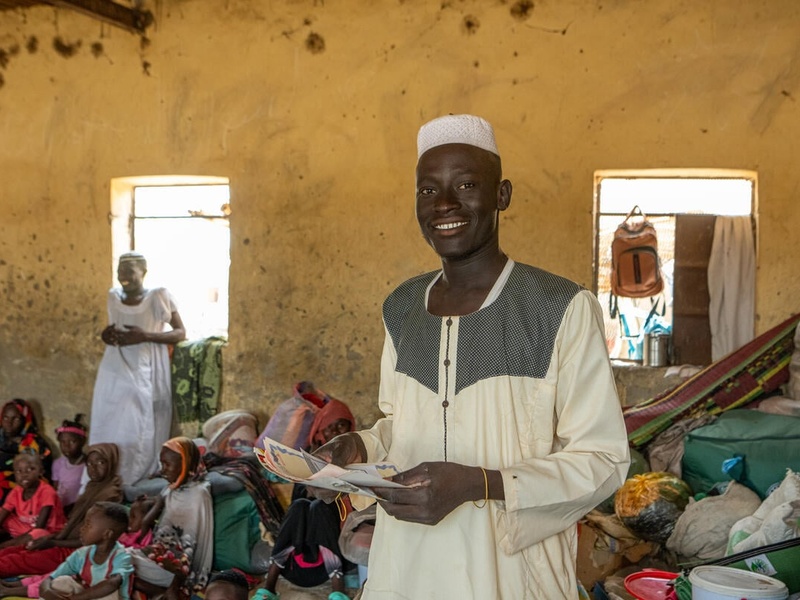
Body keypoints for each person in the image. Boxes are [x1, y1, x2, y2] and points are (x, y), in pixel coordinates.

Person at [314, 114, 631, 597]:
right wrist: (361, 448)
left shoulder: (560, 308)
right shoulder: (401, 308)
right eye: (428, 190)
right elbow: (403, 426)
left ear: (502, 195)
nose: (445, 204)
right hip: (406, 569)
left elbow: (603, 459)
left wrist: (481, 484)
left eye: (466, 185)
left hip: (507, 575)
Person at [88, 252, 187, 486]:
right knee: (108, 419)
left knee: (139, 422)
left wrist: (144, 336)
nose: (124, 277)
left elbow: (180, 332)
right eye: (120, 271)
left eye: (129, 271)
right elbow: (114, 327)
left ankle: (133, 475)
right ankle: (104, 472)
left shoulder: (158, 296)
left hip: (146, 364)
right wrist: (106, 335)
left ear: (143, 272)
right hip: (114, 366)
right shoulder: (113, 296)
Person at [259, 398, 356, 600]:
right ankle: (268, 588)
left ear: (350, 427)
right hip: (296, 563)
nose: (337, 432)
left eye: (341, 425)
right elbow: (300, 510)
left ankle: (337, 591)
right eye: (329, 428)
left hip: (336, 559)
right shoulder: (305, 461)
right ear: (320, 433)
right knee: (301, 505)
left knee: (322, 506)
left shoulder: (359, 457)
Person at [0, 443, 123, 580]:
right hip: (63, 542)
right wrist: (50, 538)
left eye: (101, 462)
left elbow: (89, 541)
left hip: (75, 554)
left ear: (112, 463)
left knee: (12, 561)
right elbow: (72, 526)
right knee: (10, 552)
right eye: (89, 464)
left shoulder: (110, 496)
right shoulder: (92, 488)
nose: (93, 468)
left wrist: (53, 542)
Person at [129, 436, 213, 600]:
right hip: (159, 558)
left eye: (168, 464)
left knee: (119, 563)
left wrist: (175, 586)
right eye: (162, 464)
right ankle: (156, 592)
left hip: (180, 574)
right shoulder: (171, 489)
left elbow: (191, 548)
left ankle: (162, 592)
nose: (163, 470)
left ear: (186, 464)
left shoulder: (198, 495)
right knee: (114, 558)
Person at [38, 501, 134, 600]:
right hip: (84, 597)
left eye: (88, 525)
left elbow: (112, 584)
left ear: (107, 534)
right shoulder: (82, 553)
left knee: (109, 596)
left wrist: (74, 599)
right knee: (61, 582)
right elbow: (51, 578)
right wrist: (46, 590)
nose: (81, 529)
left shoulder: (122, 556)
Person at [0, 453, 65, 549]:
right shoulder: (17, 491)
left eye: (30, 469)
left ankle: (5, 546)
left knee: (37, 534)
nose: (24, 475)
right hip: (26, 528)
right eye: (19, 471)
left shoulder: (47, 492)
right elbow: (4, 511)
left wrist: (8, 543)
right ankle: (18, 542)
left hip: (47, 531)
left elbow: (40, 527)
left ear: (41, 471)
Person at [0, 399, 52, 504]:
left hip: (23, 490)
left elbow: (42, 474)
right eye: (5, 418)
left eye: (16, 419)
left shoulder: (35, 443)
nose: (9, 423)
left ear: (25, 420)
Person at [51, 415, 88, 515]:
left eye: (72, 441)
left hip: (77, 509)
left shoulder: (87, 465)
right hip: (59, 508)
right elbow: (56, 488)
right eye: (63, 442)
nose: (67, 446)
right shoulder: (57, 464)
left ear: (82, 441)